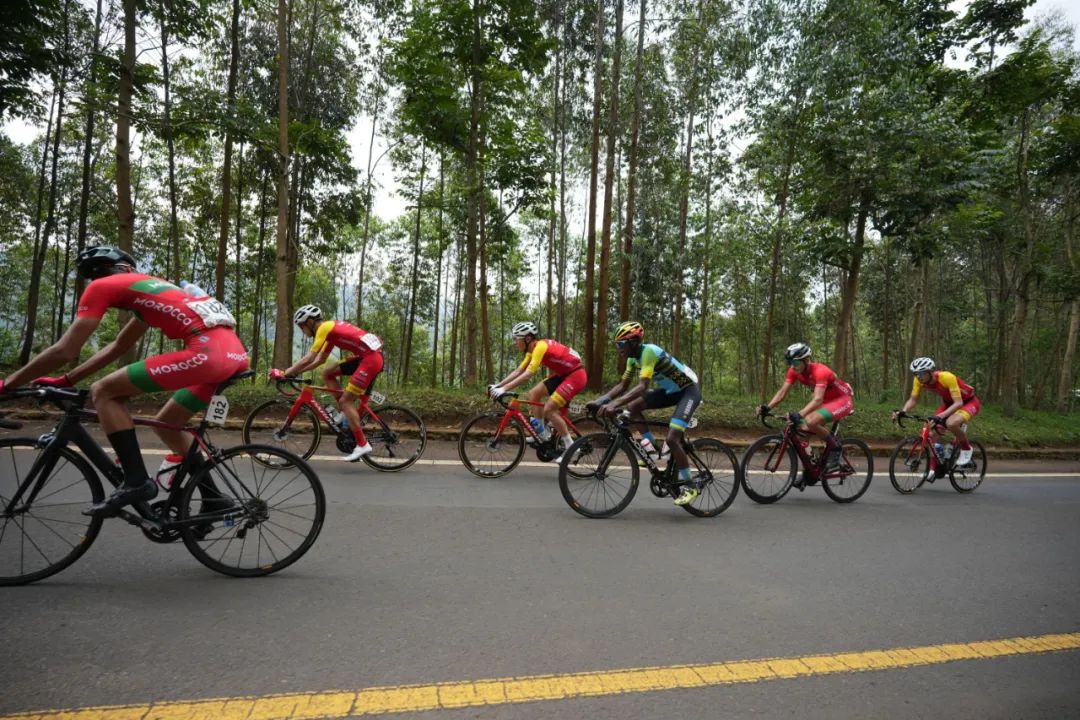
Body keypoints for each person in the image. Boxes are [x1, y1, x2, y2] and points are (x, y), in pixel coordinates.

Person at [0, 246, 249, 515]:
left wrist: (8, 385)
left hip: (208, 354)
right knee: (168, 424)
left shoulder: (103, 286)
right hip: (235, 355)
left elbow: (65, 350)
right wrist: (68, 379)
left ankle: (136, 481)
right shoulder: (154, 288)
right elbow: (119, 346)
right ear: (126, 267)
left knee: (103, 392)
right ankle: (214, 498)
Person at [587, 321, 703, 507]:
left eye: (621, 344)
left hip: (689, 391)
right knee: (633, 408)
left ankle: (690, 486)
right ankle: (653, 450)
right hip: (671, 391)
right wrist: (601, 401)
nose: (619, 349)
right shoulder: (633, 360)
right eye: (617, 345)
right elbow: (622, 386)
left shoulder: (648, 351)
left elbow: (642, 386)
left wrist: (614, 404)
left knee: (673, 439)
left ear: (633, 341)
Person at [270, 305, 384, 462]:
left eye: (301, 326)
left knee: (346, 401)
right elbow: (320, 360)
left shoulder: (324, 328)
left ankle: (362, 444)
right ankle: (345, 414)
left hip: (369, 360)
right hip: (366, 357)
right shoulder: (330, 330)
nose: (302, 330)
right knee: (327, 372)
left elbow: (309, 358)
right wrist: (296, 372)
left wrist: (285, 373)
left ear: (310, 322)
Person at [488, 321, 588, 462]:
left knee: (549, 410)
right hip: (562, 375)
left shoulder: (540, 347)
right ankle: (543, 434)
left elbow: (528, 374)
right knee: (533, 394)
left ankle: (571, 447)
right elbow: (519, 370)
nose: (515, 342)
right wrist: (498, 385)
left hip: (575, 376)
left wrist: (504, 389)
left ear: (528, 339)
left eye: (517, 338)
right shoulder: (532, 350)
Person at [759, 342, 853, 479]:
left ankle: (835, 448)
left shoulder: (820, 371)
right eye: (789, 362)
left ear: (806, 360)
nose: (792, 366)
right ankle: (811, 467)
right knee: (798, 430)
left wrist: (799, 414)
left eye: (795, 362)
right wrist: (768, 407)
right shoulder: (794, 371)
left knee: (811, 421)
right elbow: (782, 392)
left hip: (842, 400)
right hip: (826, 401)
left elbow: (817, 400)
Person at [892, 357, 980, 465]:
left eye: (921, 373)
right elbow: (913, 399)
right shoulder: (919, 381)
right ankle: (933, 469)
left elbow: (958, 403)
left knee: (951, 423)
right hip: (949, 404)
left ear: (931, 372)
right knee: (929, 432)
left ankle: (966, 448)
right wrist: (903, 411)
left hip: (968, 402)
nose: (918, 376)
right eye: (915, 373)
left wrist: (940, 416)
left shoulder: (947, 377)